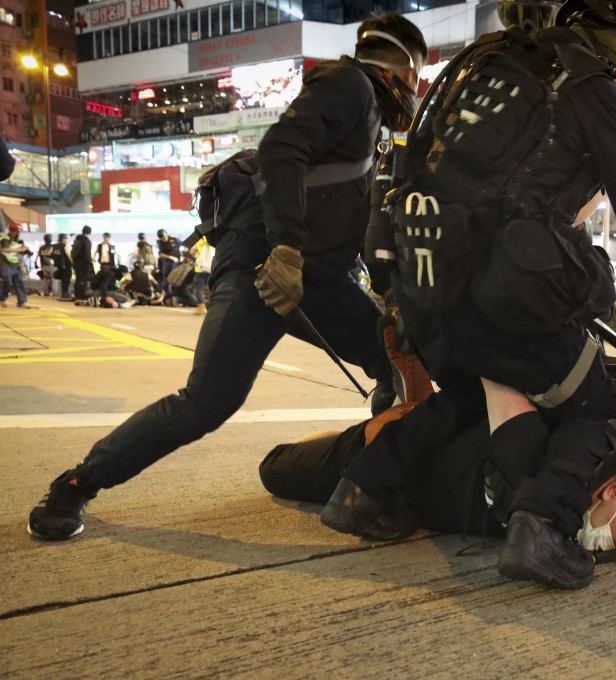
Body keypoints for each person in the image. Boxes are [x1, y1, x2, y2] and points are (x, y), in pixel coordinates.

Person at [323, 0, 616, 590]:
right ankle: (543, 528)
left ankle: (360, 491)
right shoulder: (588, 84)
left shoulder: (475, 68)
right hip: (505, 294)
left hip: (427, 290)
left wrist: (397, 292)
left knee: (467, 395)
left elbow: (404, 170)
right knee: (597, 407)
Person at [27, 12, 429, 542]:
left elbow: (341, 216)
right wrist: (284, 250)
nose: (416, 91)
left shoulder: (371, 119)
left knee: (392, 352)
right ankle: (77, 483)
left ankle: (369, 484)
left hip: (320, 279)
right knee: (207, 403)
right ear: (402, 69)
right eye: (417, 78)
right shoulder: (348, 85)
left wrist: (382, 292)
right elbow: (280, 149)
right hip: (264, 268)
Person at [260, 404, 616, 552]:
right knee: (274, 469)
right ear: (615, 491)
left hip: (418, 494)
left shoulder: (571, 511)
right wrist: (385, 448)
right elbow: (474, 396)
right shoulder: (556, 459)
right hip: (380, 459)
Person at [0, 222, 30, 308]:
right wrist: (19, 249)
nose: (17, 233)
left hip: (16, 264)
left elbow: (21, 252)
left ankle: (22, 302)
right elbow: (5, 249)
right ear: (12, 231)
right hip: (6, 264)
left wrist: (25, 251)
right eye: (15, 231)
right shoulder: (5, 239)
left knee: (19, 282)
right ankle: (2, 299)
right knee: (8, 282)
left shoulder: (20, 241)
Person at [155, 229, 180, 304]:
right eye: (162, 238)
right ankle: (168, 298)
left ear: (166, 234)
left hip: (177, 264)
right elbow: (161, 254)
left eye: (164, 237)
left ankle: (176, 299)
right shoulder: (160, 242)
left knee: (176, 281)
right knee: (166, 282)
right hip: (167, 264)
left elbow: (185, 245)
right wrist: (170, 257)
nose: (164, 239)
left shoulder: (175, 240)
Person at [190, 236, 215, 315]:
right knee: (212, 287)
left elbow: (192, 251)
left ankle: (201, 307)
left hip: (201, 268)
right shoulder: (214, 239)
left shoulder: (201, 239)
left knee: (199, 288)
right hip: (212, 267)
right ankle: (214, 306)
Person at [71, 225, 94, 301]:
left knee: (77, 279)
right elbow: (87, 254)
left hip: (76, 263)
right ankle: (81, 296)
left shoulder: (77, 239)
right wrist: (90, 264)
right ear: (89, 233)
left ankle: (76, 295)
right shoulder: (87, 241)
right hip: (84, 264)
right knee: (83, 280)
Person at [52, 234, 73, 300]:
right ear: (63, 239)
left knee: (63, 279)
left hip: (58, 265)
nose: (67, 240)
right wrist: (73, 262)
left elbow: (48, 253)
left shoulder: (54, 246)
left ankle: (63, 292)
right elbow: (69, 255)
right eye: (66, 238)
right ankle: (65, 293)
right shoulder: (66, 246)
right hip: (66, 265)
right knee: (66, 279)